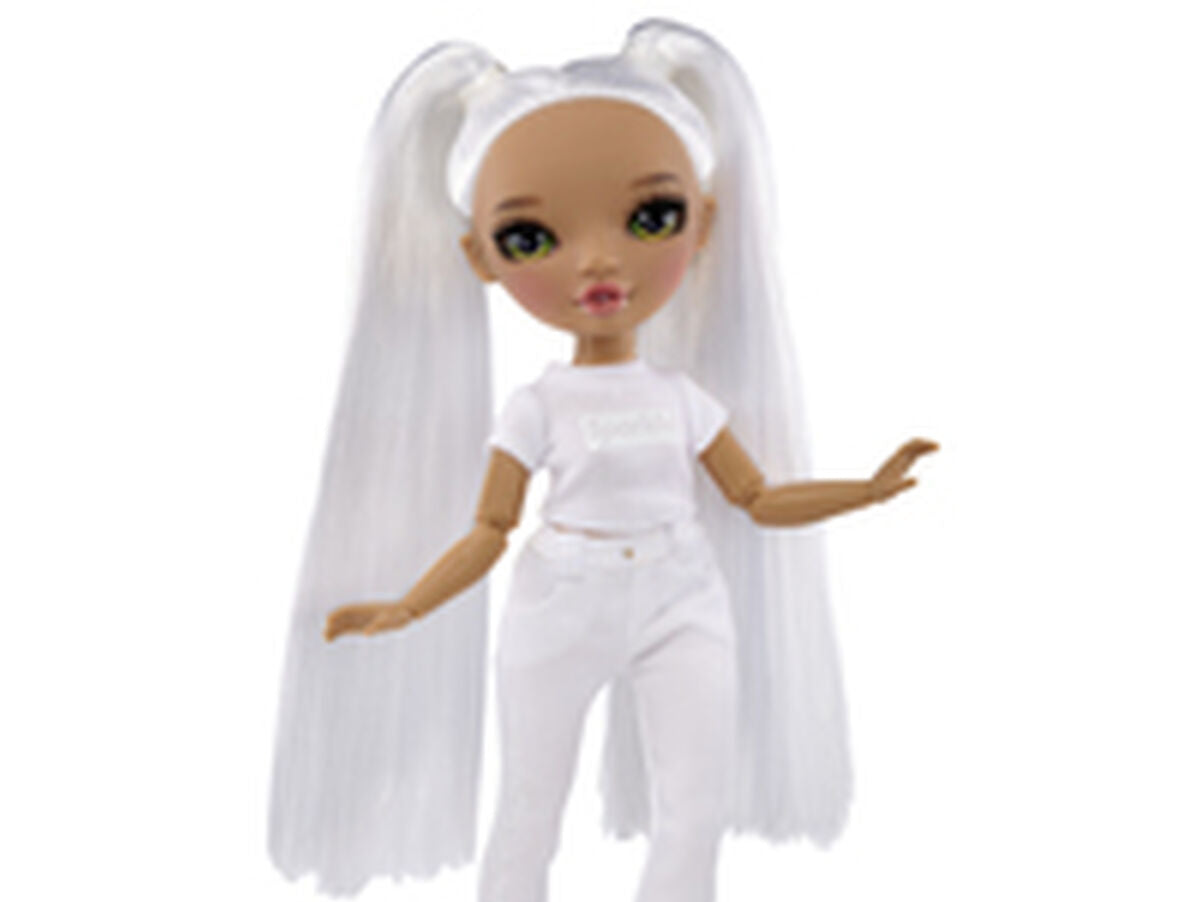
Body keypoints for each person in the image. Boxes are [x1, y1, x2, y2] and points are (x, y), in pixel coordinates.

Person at [268, 18, 937, 901]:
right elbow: (490, 530)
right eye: (530, 237)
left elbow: (757, 498)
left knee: (694, 810)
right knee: (530, 809)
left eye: (651, 219)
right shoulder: (538, 406)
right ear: (479, 257)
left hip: (682, 592)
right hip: (562, 599)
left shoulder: (682, 398)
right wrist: (408, 605)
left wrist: (869, 490)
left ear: (703, 224)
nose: (598, 261)